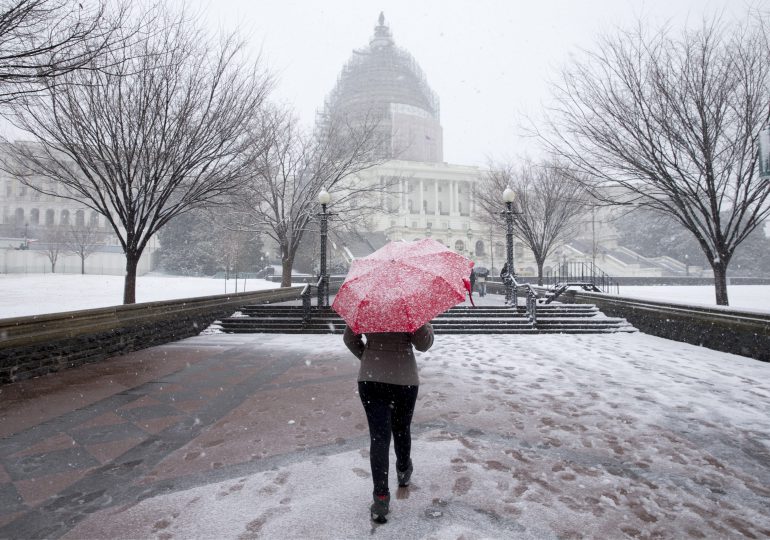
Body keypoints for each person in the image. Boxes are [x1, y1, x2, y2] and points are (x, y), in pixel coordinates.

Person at [343, 323, 434, 524]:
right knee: (401, 428)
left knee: (379, 437)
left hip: (371, 378)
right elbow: (423, 344)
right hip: (404, 378)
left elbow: (350, 339)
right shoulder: (410, 309)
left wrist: (368, 356)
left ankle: (381, 498)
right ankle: (403, 470)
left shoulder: (368, 305)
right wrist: (425, 324)